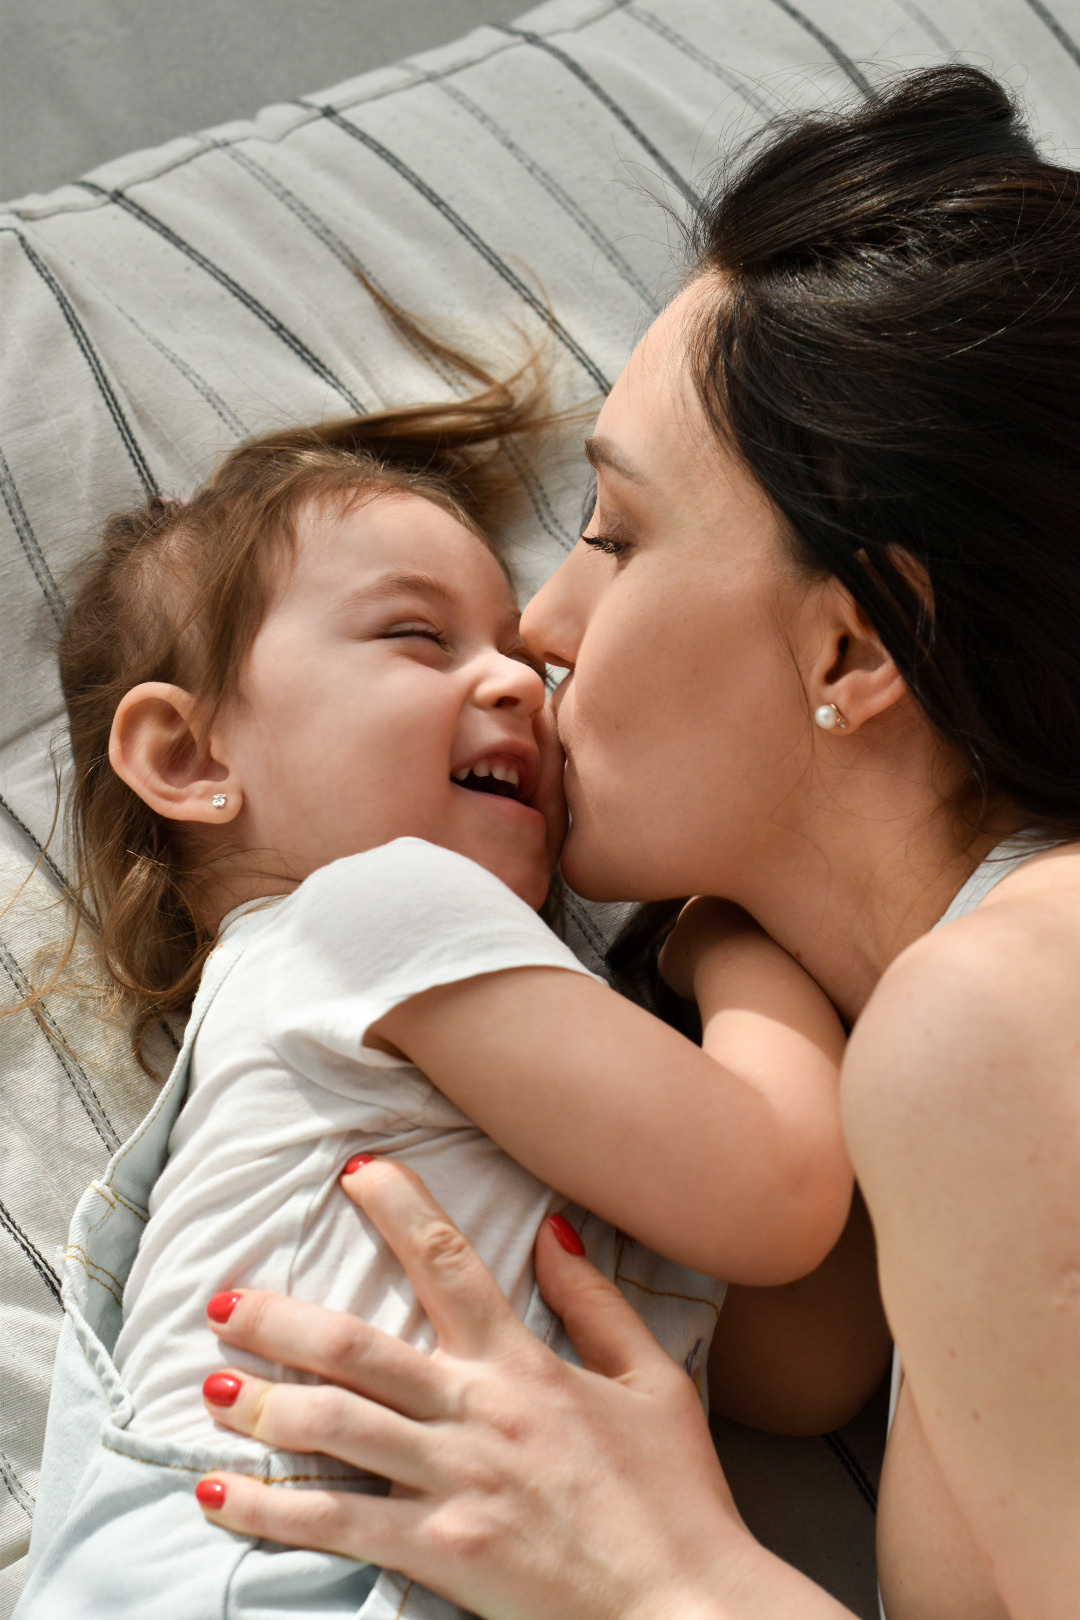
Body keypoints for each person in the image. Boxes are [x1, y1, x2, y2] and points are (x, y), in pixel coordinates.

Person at [178, 65, 1080, 1620]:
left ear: (857, 650)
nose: (540, 625)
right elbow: (802, 1363)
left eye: (615, 531)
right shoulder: (946, 1039)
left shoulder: (993, 1019)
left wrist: (670, 1579)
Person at [15, 360, 859, 1619]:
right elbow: (781, 1195)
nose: (521, 680)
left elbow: (804, 1373)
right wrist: (729, 935)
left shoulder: (498, 1055)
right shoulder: (378, 913)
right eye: (419, 637)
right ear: (190, 756)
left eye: (515, 649)